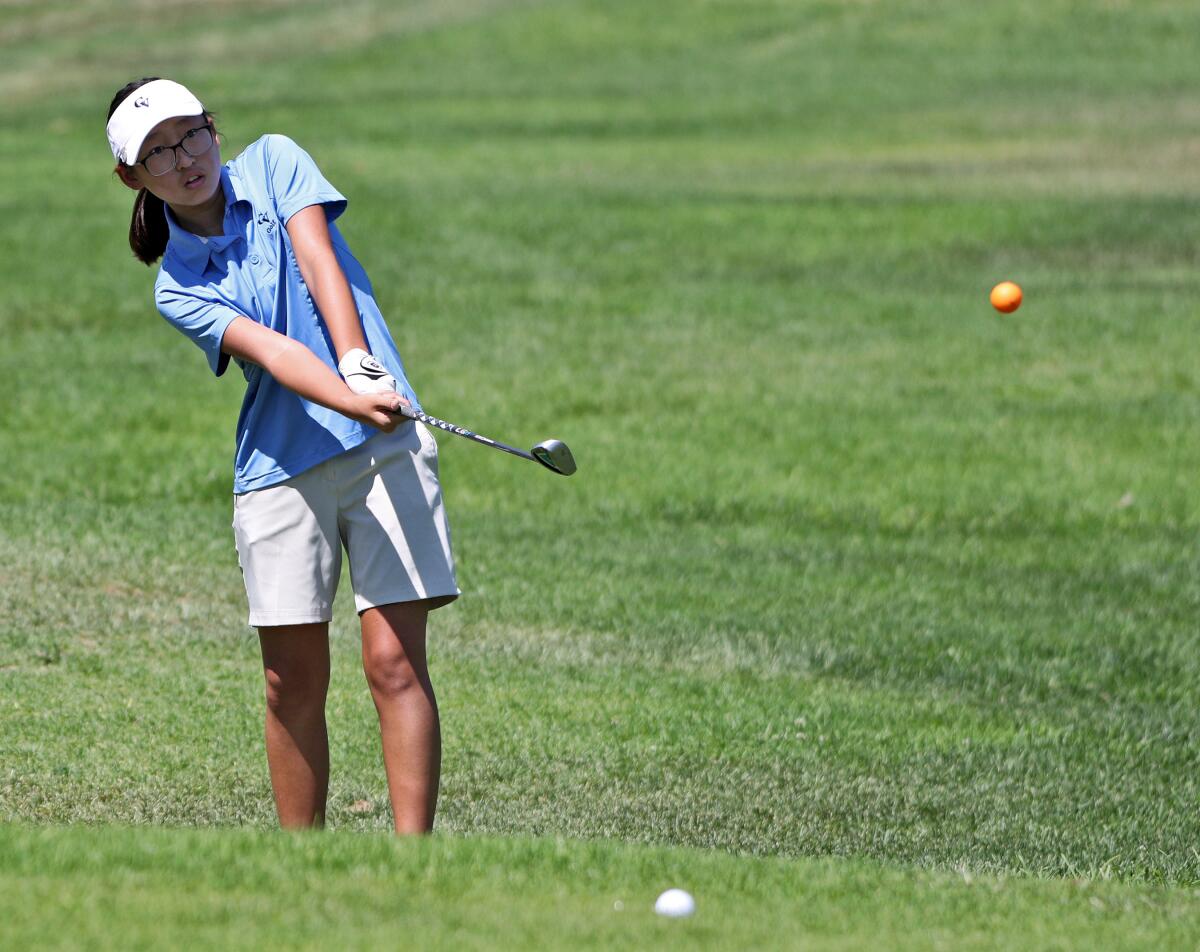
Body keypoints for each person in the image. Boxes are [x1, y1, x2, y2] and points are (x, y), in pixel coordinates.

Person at [106, 77, 460, 834]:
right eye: (158, 153)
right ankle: (302, 867)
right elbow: (270, 349)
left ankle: (416, 868)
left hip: (383, 447)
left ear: (212, 128)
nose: (184, 158)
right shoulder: (177, 285)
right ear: (133, 178)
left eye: (190, 134)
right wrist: (345, 392)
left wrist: (361, 362)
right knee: (290, 683)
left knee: (394, 664)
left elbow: (318, 256)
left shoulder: (275, 162)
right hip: (278, 473)